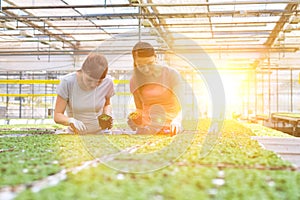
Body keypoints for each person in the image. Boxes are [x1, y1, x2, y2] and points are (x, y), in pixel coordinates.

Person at [127, 41, 183, 135]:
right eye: (140, 66)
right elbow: (139, 109)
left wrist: (177, 121)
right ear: (135, 63)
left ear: (156, 58)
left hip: (171, 124)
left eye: (150, 63)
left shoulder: (172, 74)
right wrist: (135, 118)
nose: (146, 69)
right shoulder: (134, 80)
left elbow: (182, 105)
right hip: (148, 126)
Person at [54, 52, 114, 134]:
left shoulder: (108, 82)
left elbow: (107, 104)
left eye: (98, 82)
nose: (93, 85)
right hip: (76, 134)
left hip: (101, 133)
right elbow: (57, 115)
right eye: (89, 80)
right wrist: (70, 121)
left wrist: (107, 115)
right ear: (83, 71)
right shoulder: (68, 82)